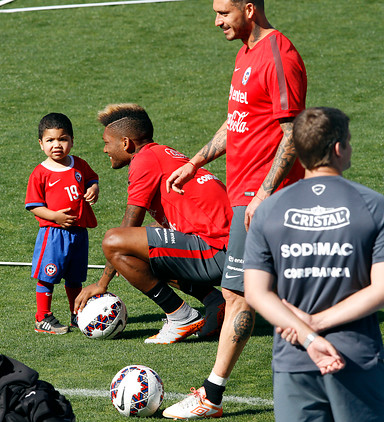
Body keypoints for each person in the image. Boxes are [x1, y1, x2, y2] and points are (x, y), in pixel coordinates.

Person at [163, 0, 307, 418]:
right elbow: (238, 120)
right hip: (245, 193)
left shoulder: (279, 54)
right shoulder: (246, 54)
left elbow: (293, 133)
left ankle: (212, 395)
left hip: (263, 197)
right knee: (282, 291)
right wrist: (194, 162)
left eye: (223, 12)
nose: (216, 21)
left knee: (238, 293)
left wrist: (264, 193)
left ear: (249, 9)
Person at [244, 107, 384, 421]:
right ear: (338, 149)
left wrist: (307, 335)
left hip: (294, 359)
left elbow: (255, 293)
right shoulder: (373, 206)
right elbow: (382, 289)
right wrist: (316, 323)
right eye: (348, 141)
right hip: (355, 357)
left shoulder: (268, 211)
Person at [74, 103, 232, 344]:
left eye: (107, 142)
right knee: (144, 241)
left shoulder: (144, 160)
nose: (105, 149)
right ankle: (213, 302)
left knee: (114, 241)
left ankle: (180, 317)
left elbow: (128, 225)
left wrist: (101, 283)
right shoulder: (162, 153)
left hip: (220, 252)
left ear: (126, 143)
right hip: (232, 249)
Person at [25, 112, 99, 334]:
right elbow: (33, 205)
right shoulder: (40, 173)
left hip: (78, 233)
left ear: (72, 141)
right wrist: (55, 216)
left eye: (62, 139)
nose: (56, 145)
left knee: (74, 278)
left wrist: (94, 188)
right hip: (54, 234)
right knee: (48, 275)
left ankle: (77, 315)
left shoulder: (80, 165)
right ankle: (42, 318)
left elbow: (92, 178)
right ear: (41, 144)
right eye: (50, 140)